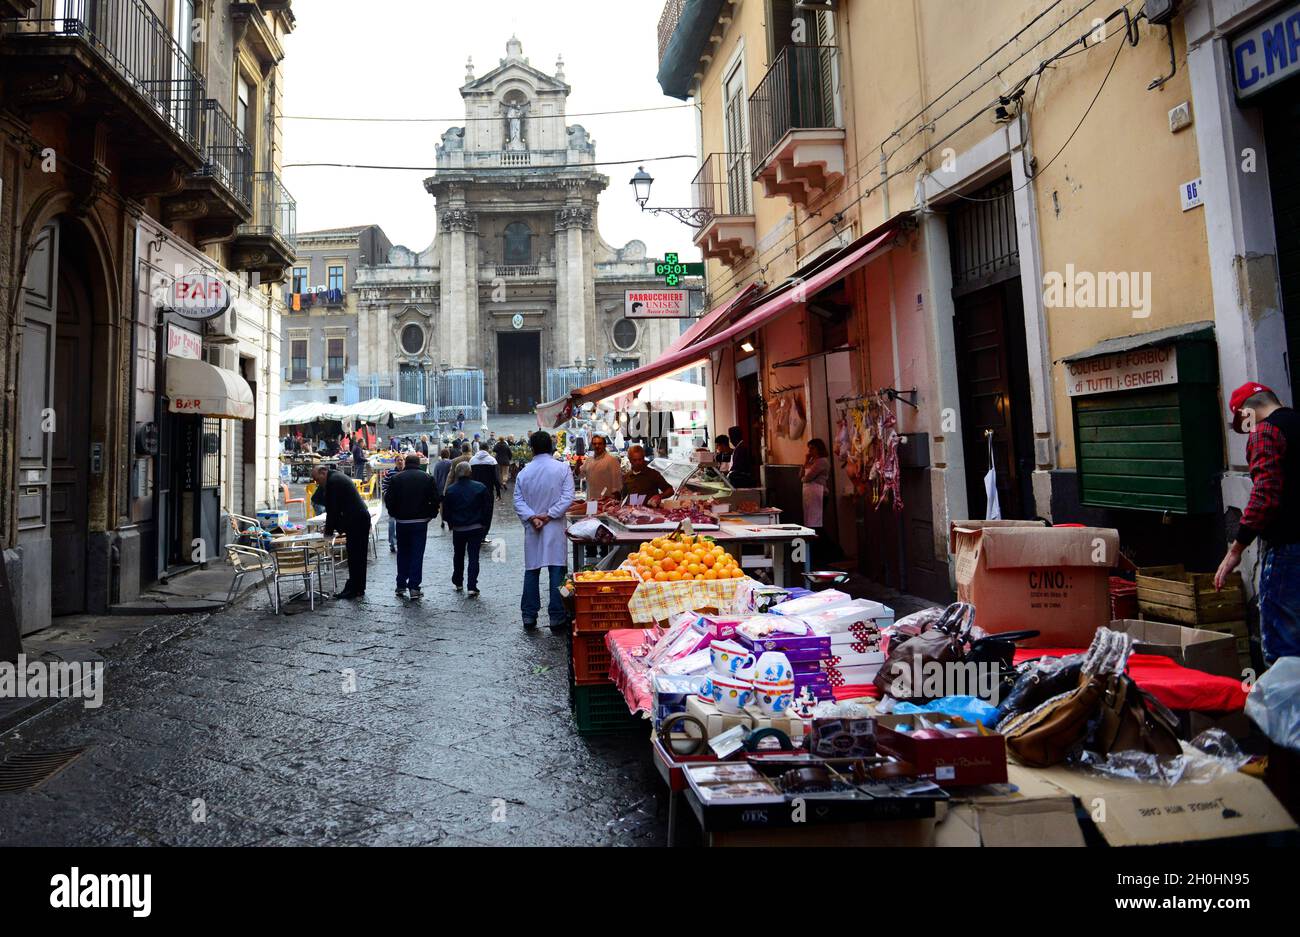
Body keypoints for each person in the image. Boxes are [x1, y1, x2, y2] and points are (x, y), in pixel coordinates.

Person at [1215, 383, 1300, 663]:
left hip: (1288, 550)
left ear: (1246, 412)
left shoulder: (1265, 432)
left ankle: (1288, 708)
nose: (1246, 432)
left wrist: (1236, 549)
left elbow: (1264, 497)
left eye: (1243, 424)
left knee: (1283, 653)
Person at [514, 430, 574, 630]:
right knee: (557, 570)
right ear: (550, 446)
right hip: (554, 526)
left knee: (532, 570)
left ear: (532, 448)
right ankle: (557, 616)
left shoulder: (524, 472)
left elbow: (518, 500)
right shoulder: (562, 469)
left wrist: (532, 517)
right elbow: (568, 497)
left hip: (534, 528)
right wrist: (549, 515)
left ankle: (529, 616)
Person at [312, 465, 372, 599]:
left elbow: (332, 510)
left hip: (356, 520)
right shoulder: (336, 476)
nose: (317, 483)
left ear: (323, 472)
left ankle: (354, 589)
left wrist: (328, 533)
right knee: (359, 556)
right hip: (359, 518)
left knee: (355, 556)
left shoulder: (333, 481)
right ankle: (358, 588)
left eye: (316, 479)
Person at [385, 453, 438, 599]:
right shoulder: (426, 478)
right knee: (417, 554)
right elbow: (435, 499)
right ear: (419, 463)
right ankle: (414, 587)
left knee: (403, 553)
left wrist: (395, 513)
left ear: (406, 463)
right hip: (420, 521)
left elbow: (389, 499)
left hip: (402, 522)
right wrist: (431, 515)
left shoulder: (396, 478)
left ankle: (401, 584)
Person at [443, 461, 493, 596]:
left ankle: (458, 581)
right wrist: (484, 524)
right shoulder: (480, 487)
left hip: (458, 528)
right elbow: (487, 509)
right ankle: (472, 585)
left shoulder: (451, 490)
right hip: (475, 527)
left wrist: (451, 523)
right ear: (470, 472)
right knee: (473, 556)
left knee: (458, 555)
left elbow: (446, 511)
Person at [580, 433, 623, 501]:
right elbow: (580, 475)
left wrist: (615, 502)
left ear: (604, 445)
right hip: (590, 500)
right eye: (594, 444)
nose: (597, 446)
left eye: (600, 443)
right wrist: (578, 460)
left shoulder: (612, 460)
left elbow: (617, 483)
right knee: (591, 512)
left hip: (605, 502)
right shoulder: (589, 460)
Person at [470, 440, 503, 506]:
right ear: (488, 449)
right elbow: (496, 478)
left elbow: (469, 476)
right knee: (488, 510)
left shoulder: (472, 460)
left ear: (479, 449)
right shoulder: (492, 460)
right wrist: (498, 492)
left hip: (475, 490)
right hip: (488, 490)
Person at [380, 466, 398, 553]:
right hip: (392, 501)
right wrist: (387, 496)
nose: (400, 462)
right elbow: (384, 486)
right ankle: (392, 543)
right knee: (392, 522)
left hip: (404, 502)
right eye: (398, 460)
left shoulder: (407, 472)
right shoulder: (390, 473)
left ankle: (401, 542)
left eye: (402, 460)